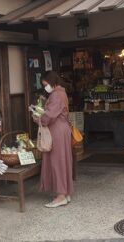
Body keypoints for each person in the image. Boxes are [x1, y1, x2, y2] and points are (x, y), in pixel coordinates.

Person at [33, 70, 73, 208]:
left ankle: (61, 195)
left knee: (57, 162)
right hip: (62, 129)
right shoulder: (62, 93)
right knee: (63, 161)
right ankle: (65, 192)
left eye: (46, 84)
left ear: (52, 82)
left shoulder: (56, 95)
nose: (45, 87)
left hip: (57, 130)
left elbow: (49, 116)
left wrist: (37, 117)